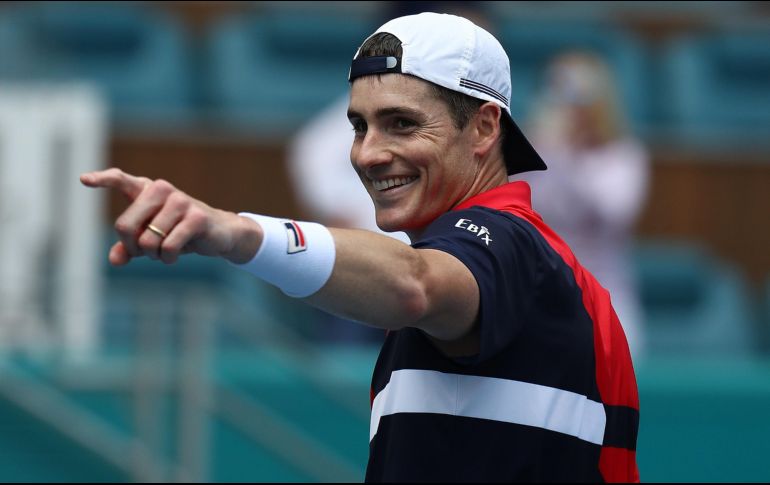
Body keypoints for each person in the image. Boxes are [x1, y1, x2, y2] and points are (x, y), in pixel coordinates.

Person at [81, 12, 640, 482]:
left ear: (484, 129)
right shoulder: (514, 256)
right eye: (359, 126)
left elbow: (415, 284)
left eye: (401, 124)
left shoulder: (514, 242)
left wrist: (237, 233)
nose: (368, 154)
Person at [517, 51, 650, 360]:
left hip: (605, 296)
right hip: (536, 293)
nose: (570, 106)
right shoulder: (533, 152)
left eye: (579, 94)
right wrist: (544, 148)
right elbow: (517, 205)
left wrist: (564, 156)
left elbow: (613, 213)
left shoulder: (622, 156)